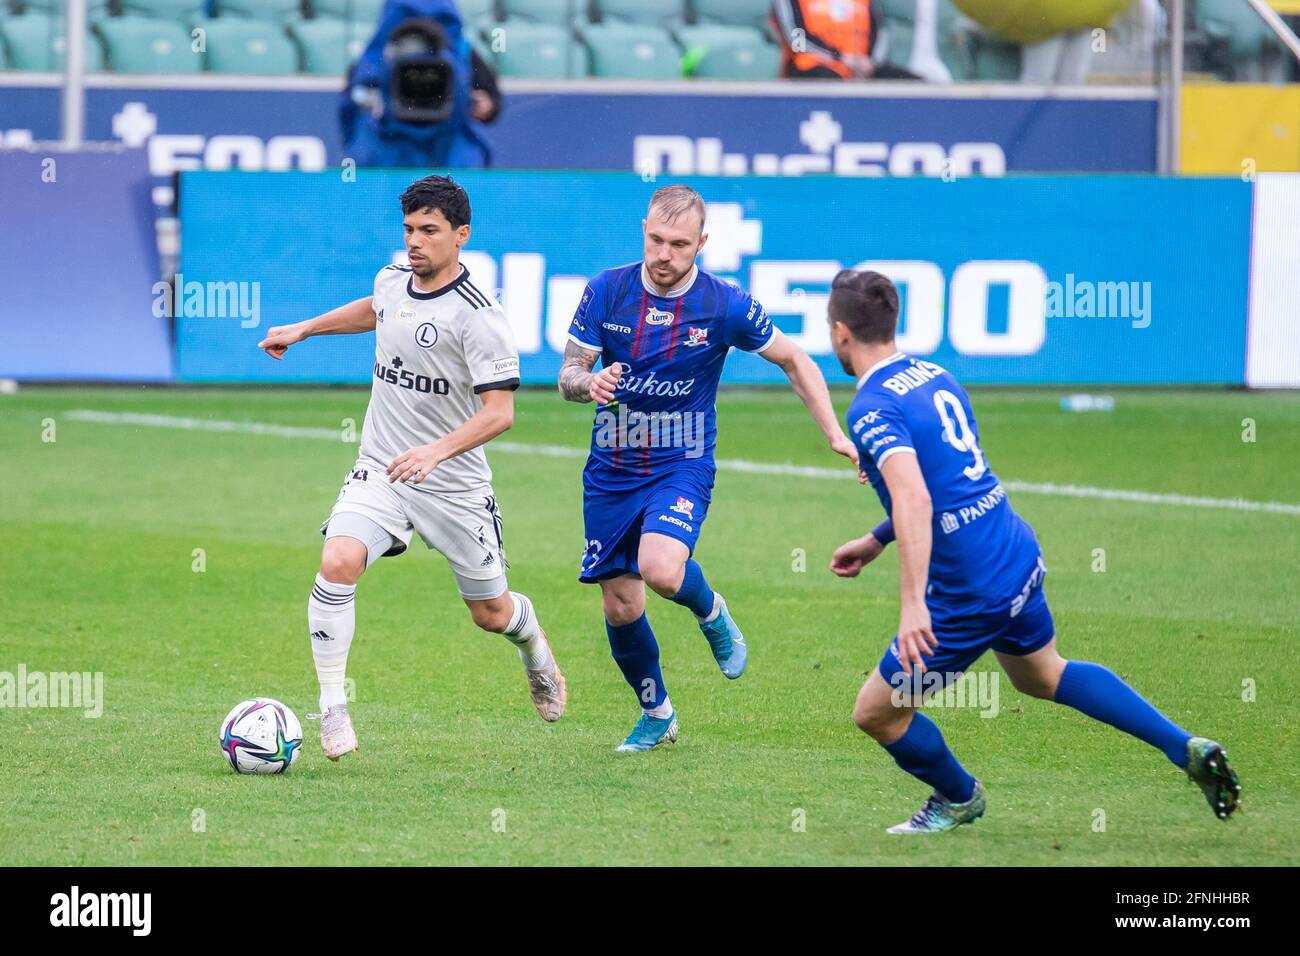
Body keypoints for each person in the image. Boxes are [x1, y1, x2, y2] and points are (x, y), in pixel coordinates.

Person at [826, 268, 1241, 832]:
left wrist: (913, 607)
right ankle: (1182, 746)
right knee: (1041, 675)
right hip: (1014, 552)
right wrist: (878, 539)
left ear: (839, 333)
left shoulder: (871, 408)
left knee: (877, 714)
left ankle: (958, 797)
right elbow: (952, 484)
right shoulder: (935, 376)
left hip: (968, 591)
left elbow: (917, 499)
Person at [257, 175, 565, 761]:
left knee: (489, 613)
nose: (415, 242)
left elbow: (500, 413)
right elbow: (376, 311)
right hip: (383, 467)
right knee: (338, 558)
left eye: (429, 231)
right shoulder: (392, 281)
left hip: (454, 485)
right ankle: (331, 707)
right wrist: (305, 329)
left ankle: (534, 647)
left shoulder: (480, 316)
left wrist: (435, 451)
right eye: (409, 230)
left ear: (461, 236)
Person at [557, 184, 858, 752]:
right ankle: (657, 713)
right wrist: (587, 383)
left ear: (702, 243)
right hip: (612, 465)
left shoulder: (725, 306)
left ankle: (712, 610)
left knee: (663, 570)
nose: (663, 254)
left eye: (678, 244)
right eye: (654, 239)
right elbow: (568, 373)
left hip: (683, 457)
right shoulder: (605, 291)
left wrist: (835, 434)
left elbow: (795, 360)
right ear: (642, 229)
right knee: (621, 604)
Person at [771, 0, 920, 80]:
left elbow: (876, 30)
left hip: (861, 69)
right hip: (812, 67)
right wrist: (841, 58)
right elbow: (797, 40)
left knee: (911, 84)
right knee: (828, 82)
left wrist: (867, 62)